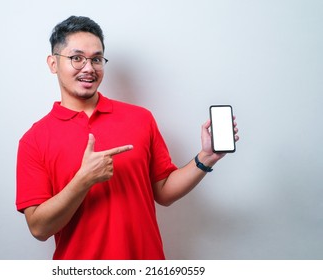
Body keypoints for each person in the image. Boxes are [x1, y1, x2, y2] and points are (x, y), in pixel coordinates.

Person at [16, 15, 239, 260]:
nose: (89, 68)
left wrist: (206, 157)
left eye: (97, 59)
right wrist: (84, 180)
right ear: (53, 63)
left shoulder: (140, 119)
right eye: (76, 58)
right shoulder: (34, 140)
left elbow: (163, 192)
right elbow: (39, 228)